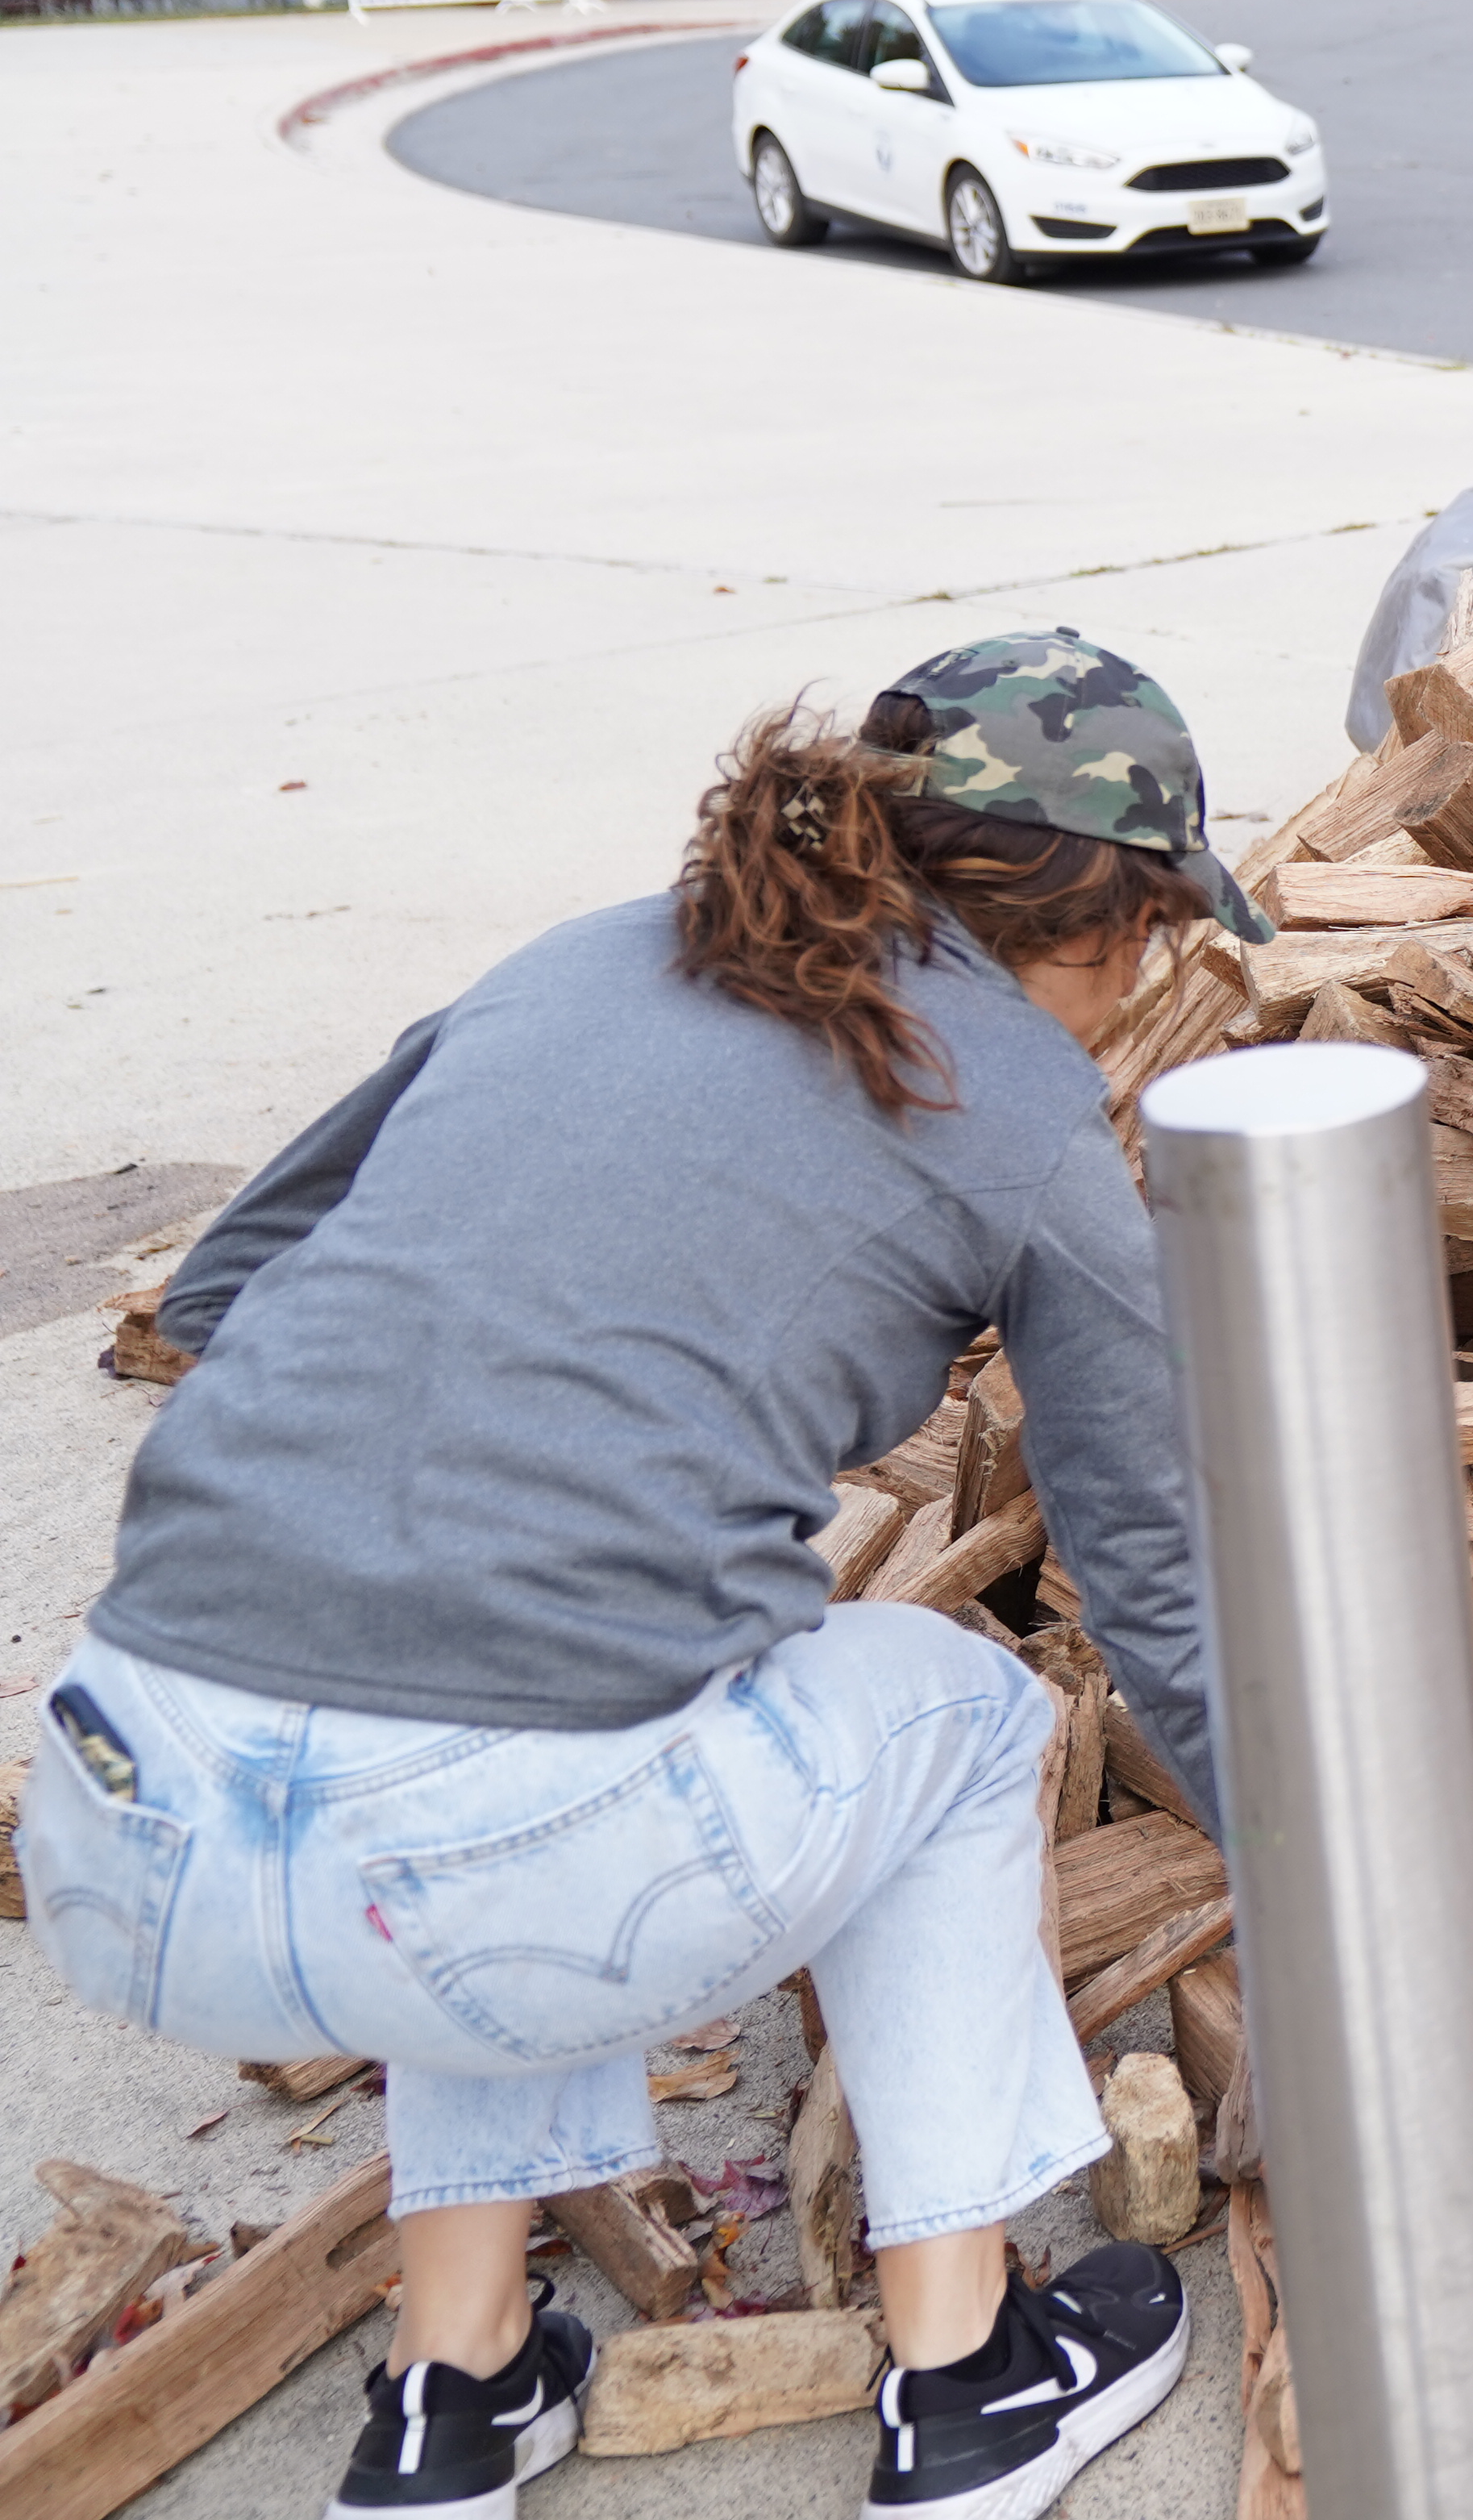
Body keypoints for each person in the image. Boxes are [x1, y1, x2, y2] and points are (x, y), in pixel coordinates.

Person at [20, 631, 1275, 2518]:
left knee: (521, 1694)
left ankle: (457, 2394)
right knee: (957, 1706)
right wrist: (1334, 1884)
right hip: (482, 1853)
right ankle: (970, 2377)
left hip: (125, 1817)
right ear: (1110, 910)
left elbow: (216, 1289)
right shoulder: (1014, 1105)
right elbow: (1155, 1581)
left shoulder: (584, 956)